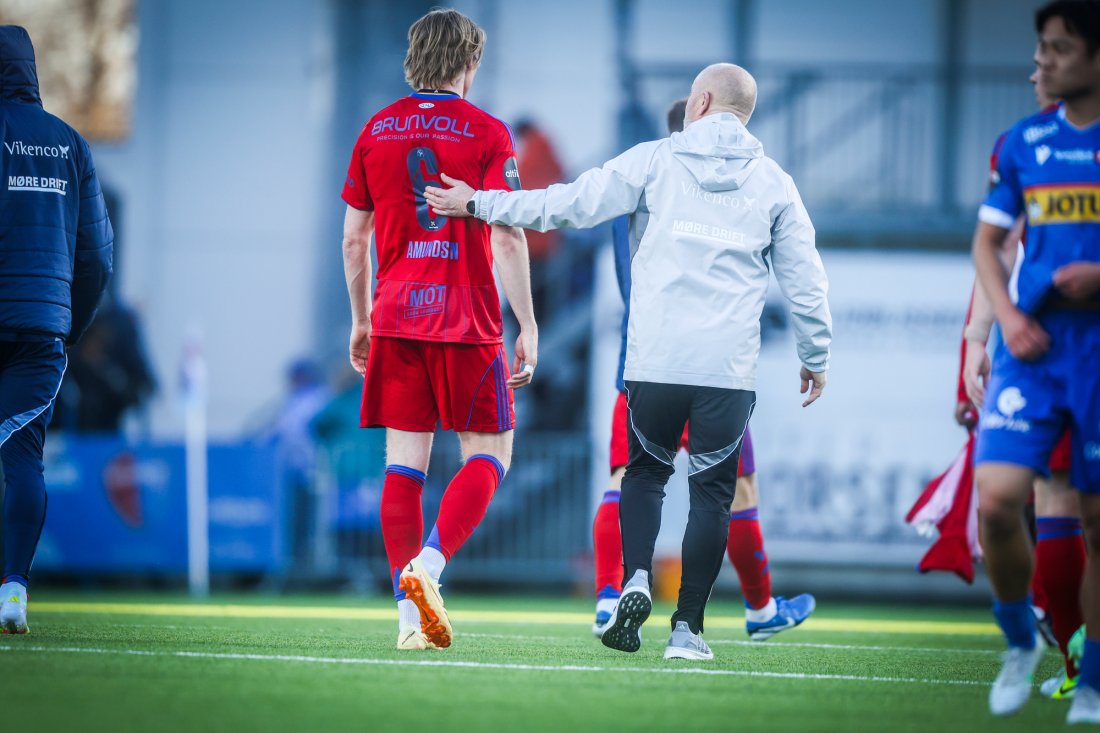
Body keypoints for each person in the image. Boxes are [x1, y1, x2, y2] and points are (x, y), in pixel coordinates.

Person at [426, 63, 831, 661]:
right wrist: (815, 353)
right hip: (725, 370)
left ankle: (631, 581)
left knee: (640, 477)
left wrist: (479, 202)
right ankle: (688, 630)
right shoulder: (775, 182)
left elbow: (565, 205)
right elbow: (806, 278)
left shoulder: (652, 162)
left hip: (652, 361)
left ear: (700, 102)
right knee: (714, 496)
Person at [340, 8, 537, 652]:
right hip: (466, 317)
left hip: (397, 317)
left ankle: (407, 622)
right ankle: (428, 565)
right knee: (489, 454)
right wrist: (527, 322)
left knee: (403, 466)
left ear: (414, 58)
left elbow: (354, 240)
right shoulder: (488, 132)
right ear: (469, 63)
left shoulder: (375, 129)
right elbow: (506, 233)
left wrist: (362, 319)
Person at [591, 98, 815, 642]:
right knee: (733, 491)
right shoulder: (719, 191)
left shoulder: (636, 186)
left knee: (627, 480)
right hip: (712, 369)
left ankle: (608, 597)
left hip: (642, 366)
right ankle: (756, 611)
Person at [971, 1, 1100, 721]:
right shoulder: (1022, 143)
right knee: (997, 500)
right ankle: (1021, 638)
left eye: (1058, 49)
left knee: (1092, 517)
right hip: (1032, 348)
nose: (1041, 63)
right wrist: (997, 325)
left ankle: (1092, 677)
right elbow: (988, 244)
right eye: (1040, 47)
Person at [0, 25, 113, 633]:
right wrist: (69, 325)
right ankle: (13, 590)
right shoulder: (70, 143)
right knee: (23, 462)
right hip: (42, 329)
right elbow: (97, 257)